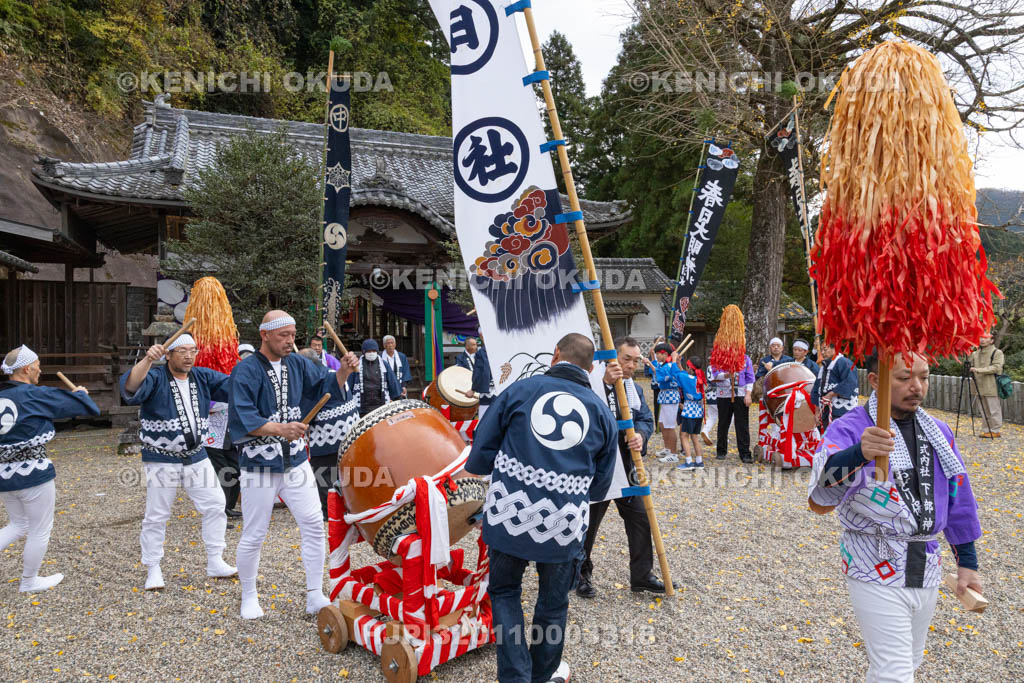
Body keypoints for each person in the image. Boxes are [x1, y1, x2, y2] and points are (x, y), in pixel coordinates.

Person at [808, 352, 982, 681]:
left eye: (924, 376)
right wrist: (859, 452)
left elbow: (958, 498)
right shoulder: (851, 427)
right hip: (873, 560)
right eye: (904, 378)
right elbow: (823, 480)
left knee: (909, 662)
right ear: (875, 380)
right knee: (895, 671)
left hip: (926, 563)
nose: (917, 387)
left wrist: (967, 561)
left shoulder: (940, 433)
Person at [466, 333, 618, 683]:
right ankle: (542, 675)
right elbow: (601, 484)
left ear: (555, 355)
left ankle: (516, 676)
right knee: (552, 605)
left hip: (510, 514)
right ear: (592, 367)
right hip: (564, 523)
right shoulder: (600, 411)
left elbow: (480, 455)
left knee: (504, 592)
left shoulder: (520, 391)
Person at [228, 310, 358, 619]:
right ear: (265, 335)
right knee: (255, 532)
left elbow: (326, 386)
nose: (290, 341)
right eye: (283, 335)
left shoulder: (298, 362)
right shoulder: (245, 371)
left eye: (293, 334)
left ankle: (315, 594)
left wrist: (345, 372)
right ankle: (248, 595)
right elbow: (242, 415)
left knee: (314, 525)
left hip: (296, 460)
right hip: (259, 464)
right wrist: (279, 428)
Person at [120, 334, 238, 590]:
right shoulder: (156, 376)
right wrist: (147, 360)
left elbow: (235, 385)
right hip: (161, 457)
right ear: (168, 354)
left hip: (196, 455)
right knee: (157, 514)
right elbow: (130, 386)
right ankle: (153, 568)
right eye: (182, 351)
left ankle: (215, 560)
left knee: (216, 504)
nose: (188, 356)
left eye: (192, 350)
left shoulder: (202, 377)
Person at [580, 336, 674, 599]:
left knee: (641, 519)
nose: (632, 365)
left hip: (629, 465)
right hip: (598, 468)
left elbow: (645, 418)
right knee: (587, 524)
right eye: (626, 359)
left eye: (635, 360)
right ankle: (580, 574)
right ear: (612, 359)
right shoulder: (591, 383)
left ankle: (642, 576)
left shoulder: (635, 389)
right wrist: (605, 385)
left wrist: (641, 436)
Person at [1, 345, 99, 592]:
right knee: (39, 529)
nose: (40, 370)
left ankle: (30, 580)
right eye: (37, 365)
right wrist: (80, 394)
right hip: (33, 472)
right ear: (26, 368)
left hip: (2, 474)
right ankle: (29, 581)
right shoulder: (35, 394)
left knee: (18, 524)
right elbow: (89, 408)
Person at [297, 348, 359, 520]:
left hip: (328, 436)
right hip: (350, 431)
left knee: (325, 475)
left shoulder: (317, 379)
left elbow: (305, 410)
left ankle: (330, 511)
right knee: (345, 473)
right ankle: (348, 507)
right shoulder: (330, 372)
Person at [708, 353, 755, 463]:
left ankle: (745, 453)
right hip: (723, 394)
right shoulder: (719, 357)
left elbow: (750, 377)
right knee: (723, 423)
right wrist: (727, 375)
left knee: (742, 424)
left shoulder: (745, 358)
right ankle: (721, 451)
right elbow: (713, 376)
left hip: (741, 394)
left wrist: (748, 394)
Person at [205, 397, 240, 521]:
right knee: (224, 475)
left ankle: (228, 507)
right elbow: (207, 406)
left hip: (228, 436)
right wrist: (230, 402)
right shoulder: (209, 383)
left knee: (237, 471)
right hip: (211, 439)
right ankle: (219, 514)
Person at [347, 339, 401, 417]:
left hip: (381, 406)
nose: (371, 353)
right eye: (368, 351)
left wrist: (397, 399)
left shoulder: (384, 365)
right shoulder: (356, 365)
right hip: (361, 407)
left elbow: (393, 383)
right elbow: (349, 385)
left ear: (377, 351)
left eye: (373, 351)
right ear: (364, 352)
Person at [812, 341, 859, 429]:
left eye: (825, 349)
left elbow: (850, 382)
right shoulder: (823, 368)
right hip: (826, 411)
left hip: (841, 411)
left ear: (835, 348)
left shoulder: (845, 363)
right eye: (821, 350)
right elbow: (816, 389)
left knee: (840, 437)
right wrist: (817, 411)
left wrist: (831, 394)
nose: (822, 352)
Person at [649, 342, 682, 463]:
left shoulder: (670, 366)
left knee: (669, 426)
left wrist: (674, 360)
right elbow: (657, 372)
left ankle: (673, 454)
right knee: (663, 424)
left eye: (659, 353)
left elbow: (671, 376)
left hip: (670, 397)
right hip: (665, 396)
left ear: (665, 354)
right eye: (656, 353)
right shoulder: (666, 365)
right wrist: (652, 358)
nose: (657, 355)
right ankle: (668, 449)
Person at [968, 333, 1004, 438]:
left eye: (985, 338)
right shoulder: (976, 353)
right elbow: (967, 362)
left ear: (991, 340)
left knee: (993, 409)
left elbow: (996, 367)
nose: (982, 340)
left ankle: (995, 430)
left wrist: (978, 370)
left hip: (991, 385)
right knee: (983, 409)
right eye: (981, 337)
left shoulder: (997, 353)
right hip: (978, 385)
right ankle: (987, 429)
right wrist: (968, 349)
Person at [677, 356, 705, 470]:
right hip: (699, 411)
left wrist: (674, 361)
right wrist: (680, 364)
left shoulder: (685, 378)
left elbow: (678, 374)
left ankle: (688, 462)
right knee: (694, 437)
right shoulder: (699, 378)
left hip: (689, 410)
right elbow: (684, 374)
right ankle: (699, 461)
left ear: (689, 367)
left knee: (684, 436)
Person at [456, 337, 495, 419]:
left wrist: (474, 389)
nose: (476, 347)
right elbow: (460, 372)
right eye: (473, 345)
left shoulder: (482, 353)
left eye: (476, 344)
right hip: (470, 386)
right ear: (467, 347)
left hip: (482, 387)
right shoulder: (461, 358)